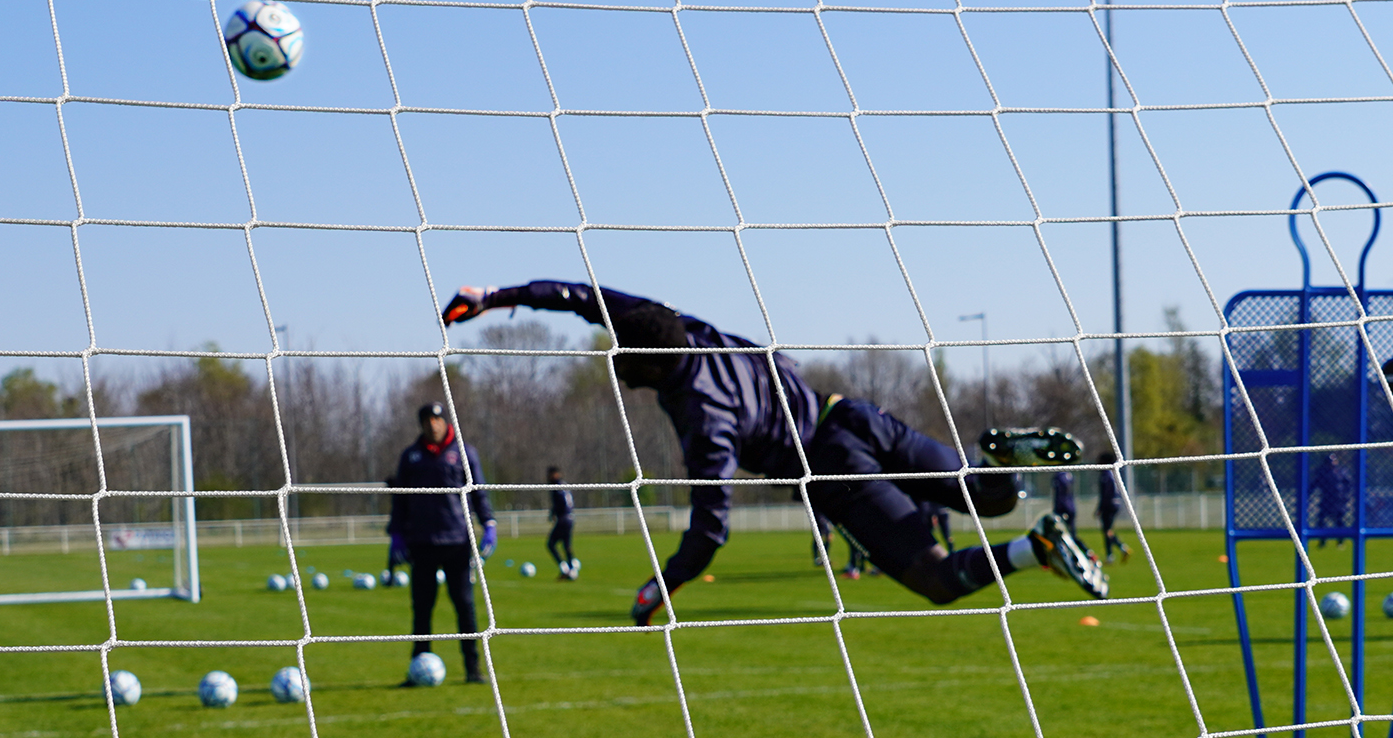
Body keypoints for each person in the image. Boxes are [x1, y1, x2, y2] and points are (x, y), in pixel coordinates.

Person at [442, 281, 1106, 622]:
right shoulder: (684, 327)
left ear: (640, 373)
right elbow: (581, 296)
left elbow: (710, 530)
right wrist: (492, 297)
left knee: (934, 578)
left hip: (832, 471)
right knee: (988, 497)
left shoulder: (705, 422)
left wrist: (663, 586)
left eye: (621, 359)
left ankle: (1037, 548)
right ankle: (1000, 460)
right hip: (852, 415)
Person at [387, 401, 497, 684]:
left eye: (437, 419)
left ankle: (473, 669)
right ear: (421, 424)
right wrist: (396, 534)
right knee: (421, 609)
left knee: (464, 606)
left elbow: (478, 493)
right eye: (427, 420)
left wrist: (489, 525)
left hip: (457, 542)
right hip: (421, 543)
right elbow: (400, 500)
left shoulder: (464, 453)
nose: (432, 425)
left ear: (444, 422)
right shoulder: (410, 456)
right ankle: (416, 670)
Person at [1310, 452, 1352, 548]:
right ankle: (1322, 541)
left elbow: (1348, 484)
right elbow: (1314, 484)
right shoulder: (1322, 473)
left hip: (1339, 500)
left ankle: (1340, 541)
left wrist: (1346, 496)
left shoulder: (1342, 472)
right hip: (1326, 500)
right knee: (1321, 521)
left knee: (1339, 521)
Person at [1096, 453, 1130, 564]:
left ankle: (1116, 551)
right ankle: (1115, 552)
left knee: (1107, 531)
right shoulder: (1112, 473)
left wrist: (1100, 508)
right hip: (1115, 504)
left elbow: (1106, 494)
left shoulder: (1105, 474)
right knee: (1108, 530)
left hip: (1109, 505)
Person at [546, 465, 579, 579]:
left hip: (563, 518)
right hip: (570, 518)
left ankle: (565, 569)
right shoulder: (563, 484)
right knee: (566, 545)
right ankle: (572, 569)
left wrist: (554, 513)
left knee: (551, 544)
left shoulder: (556, 486)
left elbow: (560, 503)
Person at [1051, 470, 1077, 539]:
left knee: (1059, 530)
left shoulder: (1059, 476)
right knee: (1071, 530)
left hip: (1063, 507)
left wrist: (1059, 508)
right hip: (1070, 505)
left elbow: (1061, 493)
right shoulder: (1069, 474)